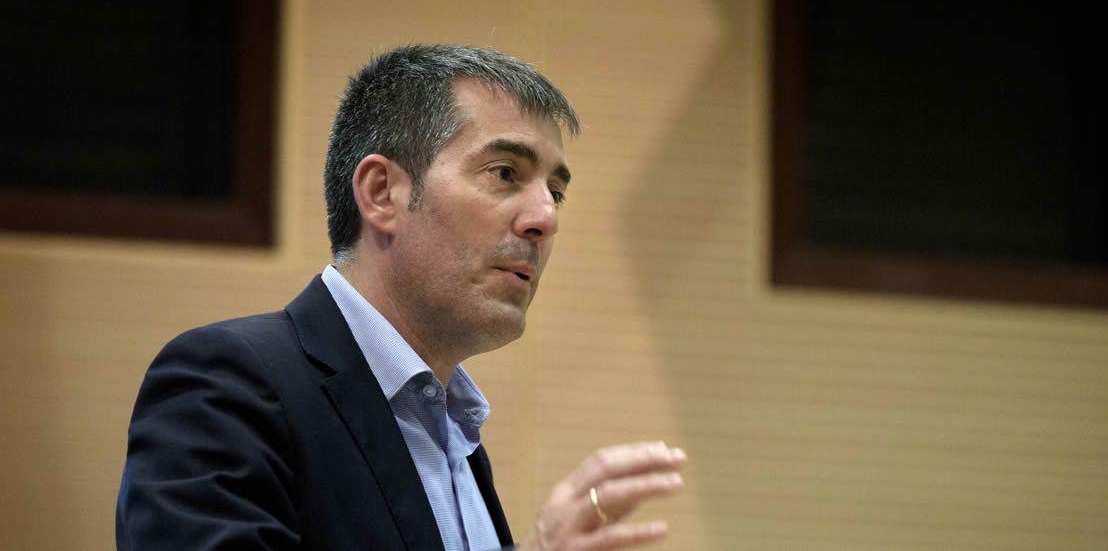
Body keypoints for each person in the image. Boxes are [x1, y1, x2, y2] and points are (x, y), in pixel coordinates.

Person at [116, 44, 686, 550]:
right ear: (382, 193)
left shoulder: (456, 436)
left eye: (555, 193)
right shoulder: (228, 382)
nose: (545, 218)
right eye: (505, 173)